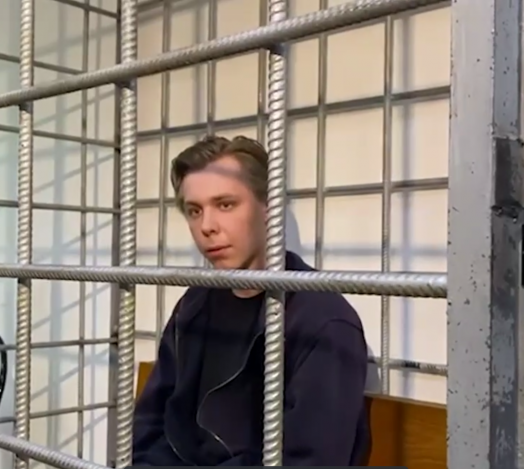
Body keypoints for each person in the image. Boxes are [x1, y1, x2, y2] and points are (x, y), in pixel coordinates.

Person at [132, 135, 370, 466]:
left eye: (225, 205)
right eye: (194, 211)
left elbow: (309, 462)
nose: (207, 226)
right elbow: (149, 426)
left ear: (268, 208)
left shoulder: (323, 321)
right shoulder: (195, 303)